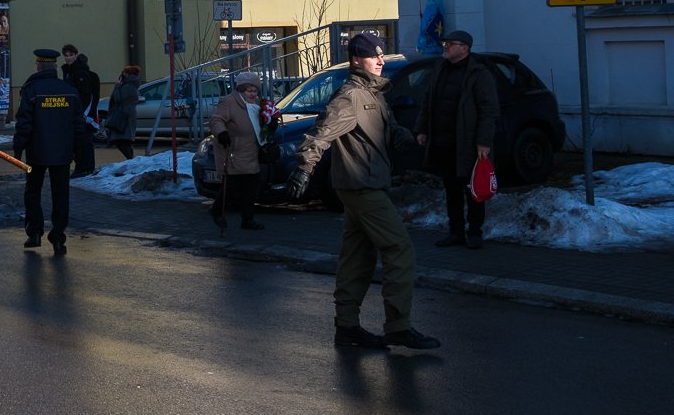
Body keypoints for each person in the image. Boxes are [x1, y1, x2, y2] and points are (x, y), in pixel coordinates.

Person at [289, 32, 440, 350]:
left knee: (357, 257)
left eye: (382, 55)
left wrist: (399, 134)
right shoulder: (350, 96)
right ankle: (398, 326)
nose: (381, 60)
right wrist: (304, 169)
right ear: (357, 60)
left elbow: (384, 126)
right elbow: (321, 132)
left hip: (364, 184)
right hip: (361, 186)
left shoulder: (375, 94)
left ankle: (347, 327)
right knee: (400, 249)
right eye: (374, 55)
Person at [415, 30, 499, 250]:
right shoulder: (440, 69)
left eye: (451, 43)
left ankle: (475, 232)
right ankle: (456, 232)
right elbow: (428, 101)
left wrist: (483, 141)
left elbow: (489, 110)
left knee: (472, 190)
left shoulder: (478, 73)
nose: (446, 46)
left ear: (465, 48)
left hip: (469, 144)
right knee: (451, 190)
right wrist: (422, 128)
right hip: (444, 142)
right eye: (445, 43)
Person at [16, 49, 89, 256]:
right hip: (63, 153)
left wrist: (18, 148)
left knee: (32, 192)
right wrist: (79, 150)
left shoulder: (32, 90)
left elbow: (24, 123)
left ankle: (35, 232)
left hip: (36, 152)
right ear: (55, 67)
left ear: (38, 66)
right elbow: (78, 125)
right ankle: (58, 237)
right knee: (60, 195)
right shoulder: (69, 89)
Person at [206, 71, 267, 233]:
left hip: (251, 150)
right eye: (249, 91)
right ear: (241, 90)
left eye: (255, 91)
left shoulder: (256, 104)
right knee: (232, 186)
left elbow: (261, 122)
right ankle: (217, 211)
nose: (253, 94)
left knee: (251, 186)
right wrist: (222, 133)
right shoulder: (229, 102)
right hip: (234, 150)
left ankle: (248, 219)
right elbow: (216, 120)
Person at [61, 45, 100, 176]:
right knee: (78, 142)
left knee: (83, 142)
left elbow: (86, 95)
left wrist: (84, 114)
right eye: (66, 55)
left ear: (76, 55)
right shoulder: (69, 71)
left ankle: (85, 168)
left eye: (70, 55)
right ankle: (82, 167)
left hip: (81, 115)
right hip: (74, 113)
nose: (68, 58)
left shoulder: (80, 73)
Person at [102, 65, 142, 159]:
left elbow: (117, 98)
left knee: (121, 141)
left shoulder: (128, 85)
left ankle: (131, 160)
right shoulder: (131, 84)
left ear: (127, 74)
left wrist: (117, 87)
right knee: (124, 141)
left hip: (124, 116)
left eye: (124, 73)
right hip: (125, 115)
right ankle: (130, 160)